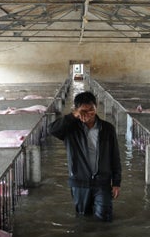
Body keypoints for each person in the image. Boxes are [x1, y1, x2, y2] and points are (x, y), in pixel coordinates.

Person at [49, 91, 121, 221]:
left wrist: (116, 182)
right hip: (79, 181)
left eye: (91, 110)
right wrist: (73, 116)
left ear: (96, 107)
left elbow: (114, 156)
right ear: (76, 110)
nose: (88, 114)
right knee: (83, 217)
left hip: (102, 181)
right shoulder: (70, 129)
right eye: (83, 111)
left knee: (105, 217)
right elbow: (52, 130)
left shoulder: (107, 128)